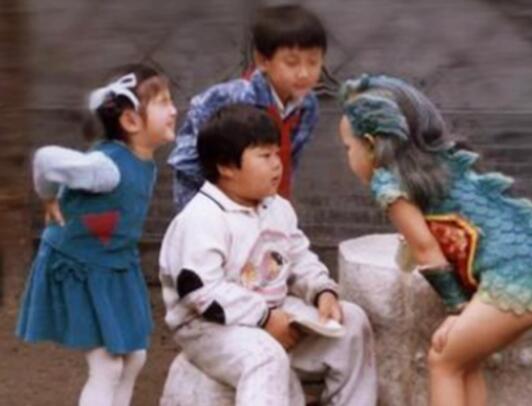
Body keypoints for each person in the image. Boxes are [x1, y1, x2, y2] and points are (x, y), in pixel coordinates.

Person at [337, 74, 532, 406]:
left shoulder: (389, 183)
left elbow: (425, 248)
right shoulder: (439, 168)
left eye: (348, 147)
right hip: (520, 272)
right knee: (464, 361)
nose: (348, 156)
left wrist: (457, 309)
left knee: (443, 360)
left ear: (371, 144)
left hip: (515, 281)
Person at [159, 104, 377, 406]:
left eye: (277, 153)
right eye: (265, 156)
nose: (277, 164)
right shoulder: (202, 218)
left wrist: (322, 292)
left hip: (275, 312)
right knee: (265, 356)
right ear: (226, 166)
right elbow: (201, 293)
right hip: (209, 328)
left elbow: (298, 257)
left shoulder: (277, 207)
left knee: (352, 321)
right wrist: (264, 319)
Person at [16, 64, 177, 406]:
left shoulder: (142, 160)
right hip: (78, 266)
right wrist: (47, 197)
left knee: (135, 357)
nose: (174, 109)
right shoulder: (106, 168)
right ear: (131, 121)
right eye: (163, 102)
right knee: (107, 365)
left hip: (113, 264)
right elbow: (45, 159)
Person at [168, 4, 327, 210]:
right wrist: (223, 204)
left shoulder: (308, 106)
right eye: (291, 63)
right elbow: (186, 161)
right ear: (262, 60)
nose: (304, 73)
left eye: (313, 62)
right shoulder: (229, 99)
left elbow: (290, 161)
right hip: (213, 207)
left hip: (265, 205)